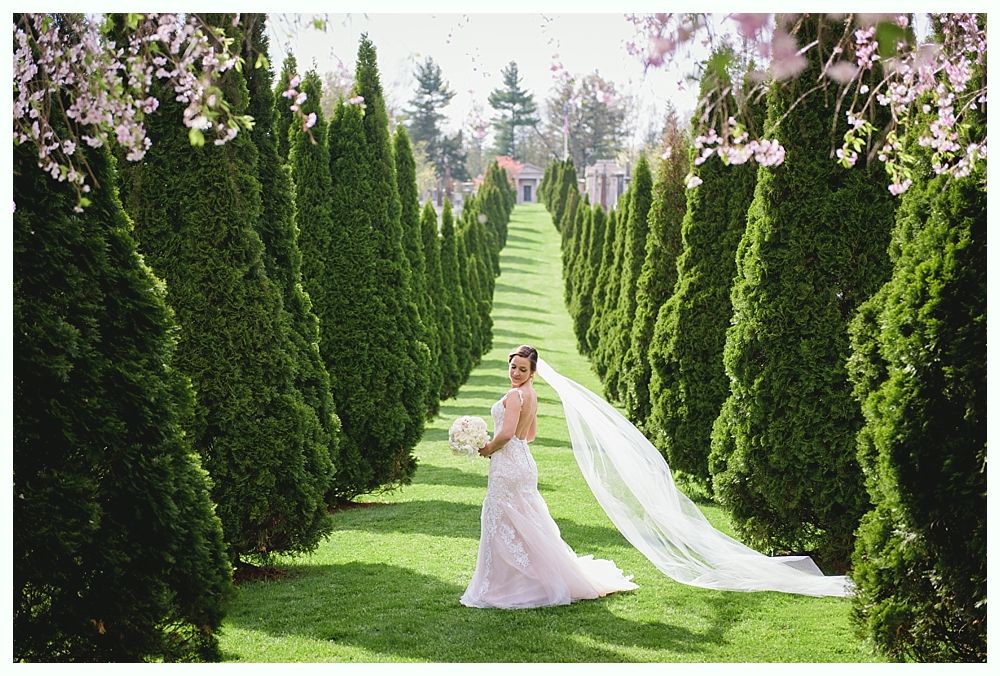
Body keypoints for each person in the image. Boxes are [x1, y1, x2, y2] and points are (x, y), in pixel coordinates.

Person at [460, 345, 639, 609]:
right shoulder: (531, 395)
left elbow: (508, 433)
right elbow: (529, 435)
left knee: (500, 520)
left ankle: (501, 587)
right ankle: (540, 578)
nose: (517, 373)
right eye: (513, 367)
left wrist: (487, 447)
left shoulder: (513, 395)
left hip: (508, 464)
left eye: (523, 369)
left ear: (533, 372)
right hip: (524, 463)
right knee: (527, 522)